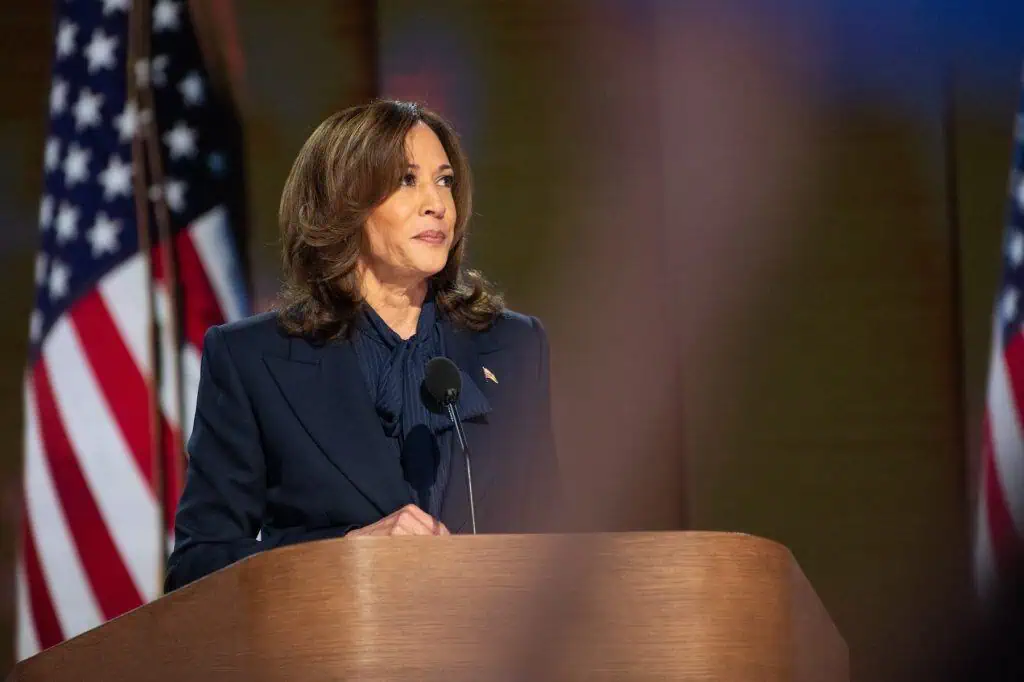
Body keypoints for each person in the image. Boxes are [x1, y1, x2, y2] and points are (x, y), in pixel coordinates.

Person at [165, 100, 560, 591]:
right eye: (406, 180)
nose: (437, 203)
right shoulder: (253, 360)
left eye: (445, 181)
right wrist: (345, 553)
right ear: (343, 204)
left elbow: (551, 545)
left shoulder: (514, 347)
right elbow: (197, 566)